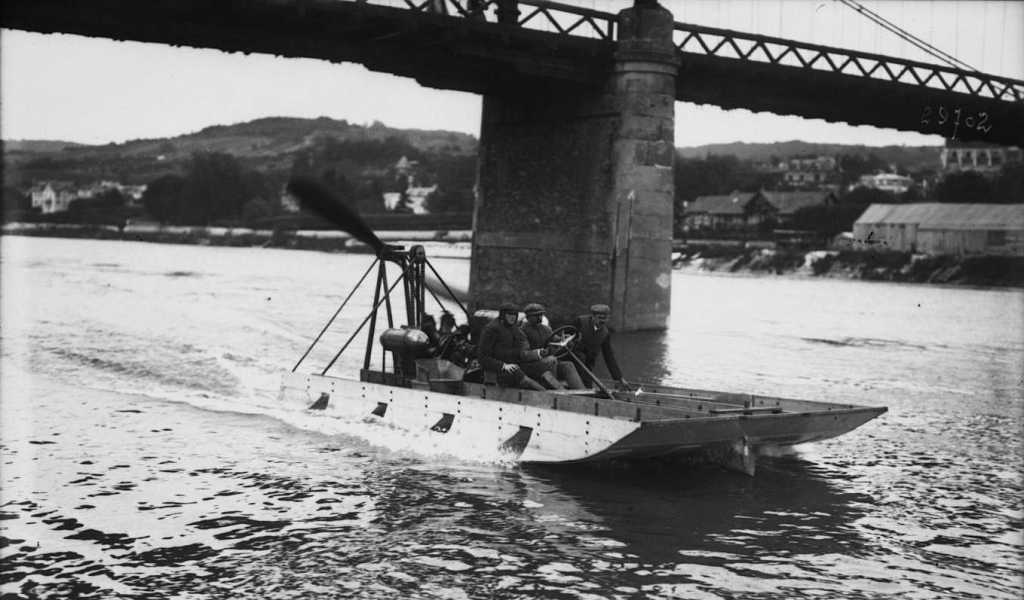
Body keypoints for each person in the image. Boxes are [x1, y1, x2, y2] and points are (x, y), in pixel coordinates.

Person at [477, 302, 564, 391]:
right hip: (501, 369)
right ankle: (548, 394)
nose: (512, 317)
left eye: (515, 315)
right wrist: (503, 366)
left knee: (541, 367)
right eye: (509, 315)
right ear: (503, 315)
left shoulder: (513, 328)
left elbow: (519, 351)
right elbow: (483, 357)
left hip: (517, 363)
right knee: (520, 375)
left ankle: (562, 391)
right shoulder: (491, 330)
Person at [520, 303, 586, 389]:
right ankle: (555, 390)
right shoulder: (522, 331)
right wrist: (539, 353)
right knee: (551, 359)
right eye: (536, 316)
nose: (540, 318)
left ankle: (581, 391)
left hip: (548, 363)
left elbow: (558, 340)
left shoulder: (546, 329)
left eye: (541, 315)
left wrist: (569, 340)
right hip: (531, 366)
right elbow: (523, 354)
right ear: (528, 317)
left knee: (568, 365)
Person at [571, 304, 632, 391]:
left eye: (605, 318)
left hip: (588, 364)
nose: (603, 321)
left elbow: (609, 356)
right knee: (581, 357)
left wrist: (619, 378)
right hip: (572, 358)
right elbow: (563, 336)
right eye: (600, 318)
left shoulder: (605, 334)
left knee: (588, 387)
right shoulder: (579, 322)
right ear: (593, 316)